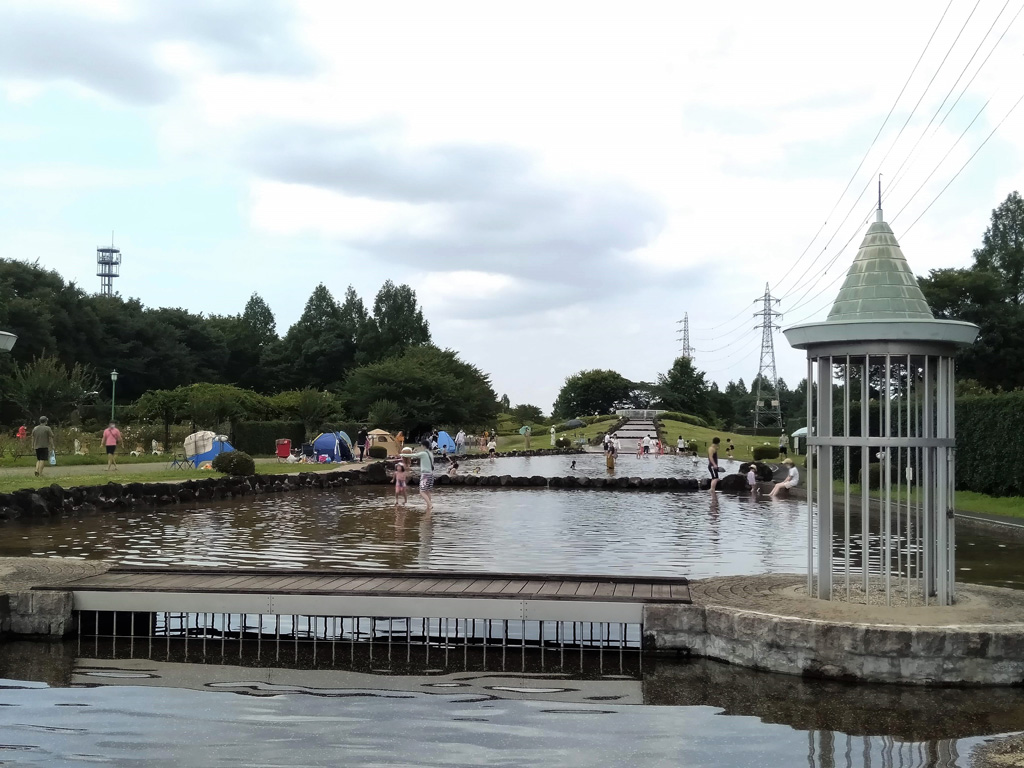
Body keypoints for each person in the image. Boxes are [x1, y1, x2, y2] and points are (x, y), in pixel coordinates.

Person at [414, 439, 435, 512]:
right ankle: (428, 506)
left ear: (423, 446)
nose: (420, 447)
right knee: (427, 491)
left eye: (421, 446)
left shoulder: (423, 453)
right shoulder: (430, 453)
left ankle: (429, 505)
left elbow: (414, 455)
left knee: (422, 491)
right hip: (431, 474)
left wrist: (401, 454)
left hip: (425, 475)